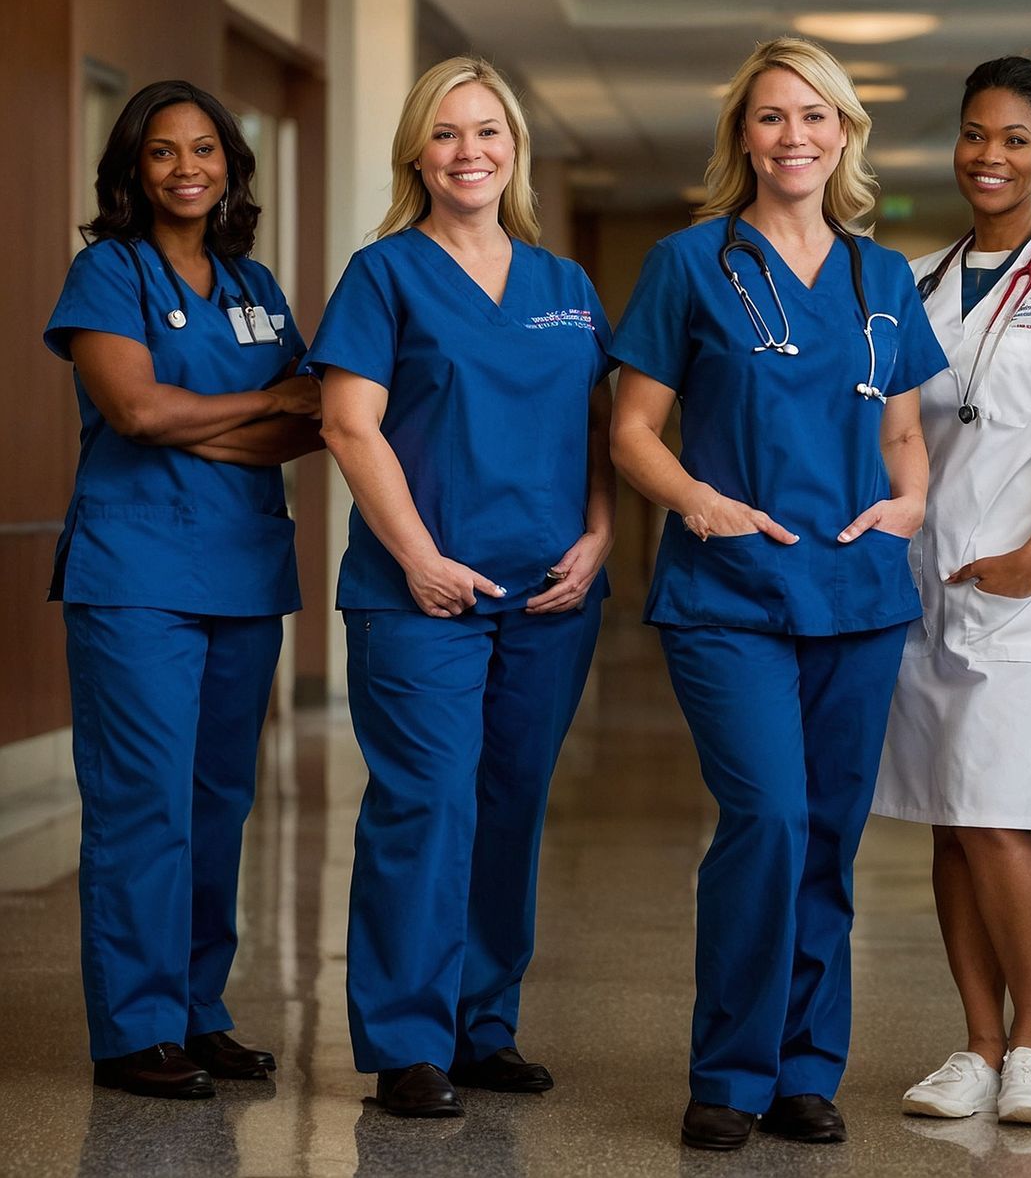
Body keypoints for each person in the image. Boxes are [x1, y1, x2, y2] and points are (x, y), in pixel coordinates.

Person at [609, 37, 948, 1152]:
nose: (793, 135)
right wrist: (699, 504)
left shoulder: (882, 276)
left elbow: (901, 426)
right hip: (729, 590)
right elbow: (633, 431)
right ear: (742, 138)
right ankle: (729, 1070)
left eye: (815, 115)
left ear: (845, 132)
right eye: (770, 117)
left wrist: (910, 499)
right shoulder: (689, 263)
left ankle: (806, 1067)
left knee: (831, 836)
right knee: (766, 817)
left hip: (858, 591)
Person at [308, 56, 615, 1119]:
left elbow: (598, 433)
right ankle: (407, 1041)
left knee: (510, 805)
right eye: (446, 134)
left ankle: (482, 1026)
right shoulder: (383, 274)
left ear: (515, 150)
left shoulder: (565, 287)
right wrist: (419, 557)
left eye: (488, 131)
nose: (469, 151)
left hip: (549, 596)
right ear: (416, 154)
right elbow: (348, 425)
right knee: (426, 803)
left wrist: (600, 536)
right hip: (417, 597)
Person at [46, 79, 322, 1098]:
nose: (186, 167)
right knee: (142, 801)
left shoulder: (255, 287)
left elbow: (313, 424)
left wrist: (201, 413)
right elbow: (134, 412)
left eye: (204, 149)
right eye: (162, 152)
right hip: (136, 575)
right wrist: (252, 405)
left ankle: (197, 1012)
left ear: (231, 167)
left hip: (244, 570)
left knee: (219, 799)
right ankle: (133, 1028)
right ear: (132, 168)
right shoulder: (106, 273)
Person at [873, 58, 1031, 1128]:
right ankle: (976, 1038)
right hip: (924, 584)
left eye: (1015, 139)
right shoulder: (913, 283)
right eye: (976, 135)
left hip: (1028, 585)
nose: (991, 156)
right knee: (945, 816)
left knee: (1000, 818)